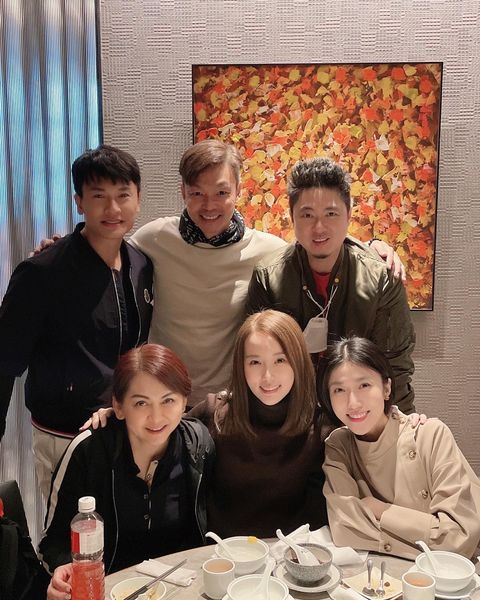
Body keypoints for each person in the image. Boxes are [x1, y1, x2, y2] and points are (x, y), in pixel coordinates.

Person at [31, 141, 403, 408]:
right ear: (183, 191)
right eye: (197, 193)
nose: (209, 205)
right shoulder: (153, 239)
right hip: (164, 400)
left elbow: (317, 237)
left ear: (238, 190)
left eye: (221, 192)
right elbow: (106, 246)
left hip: (231, 405)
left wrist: (373, 246)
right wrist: (61, 248)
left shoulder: (267, 251)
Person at [0, 145, 153, 498]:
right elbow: (5, 359)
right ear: (79, 202)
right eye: (99, 196)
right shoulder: (42, 272)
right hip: (64, 435)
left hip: (125, 429)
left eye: (123, 195)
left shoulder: (141, 265)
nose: (113, 209)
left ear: (138, 199)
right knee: (71, 530)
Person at [42, 343, 214, 600]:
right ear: (119, 406)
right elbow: (51, 542)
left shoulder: (198, 445)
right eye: (141, 403)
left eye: (168, 400)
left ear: (184, 402)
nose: (156, 417)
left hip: (181, 590)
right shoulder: (89, 451)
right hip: (106, 591)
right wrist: (63, 569)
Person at [246, 157, 416, 414]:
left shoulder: (381, 278)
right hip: (290, 415)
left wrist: (401, 427)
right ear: (292, 217)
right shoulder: (268, 277)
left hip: (357, 414)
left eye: (331, 214)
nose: (319, 227)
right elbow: (255, 360)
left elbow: (395, 368)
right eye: (307, 215)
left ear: (348, 215)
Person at [320, 336, 480, 559]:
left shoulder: (430, 435)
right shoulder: (339, 446)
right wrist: (429, 536)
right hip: (379, 572)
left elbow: (458, 540)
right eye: (339, 390)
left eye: (364, 385)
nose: (353, 402)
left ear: (386, 388)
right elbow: (344, 530)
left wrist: (380, 510)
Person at [189, 309, 327, 537]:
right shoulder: (214, 412)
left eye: (280, 360)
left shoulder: (321, 426)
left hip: (294, 553)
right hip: (223, 552)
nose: (267, 376)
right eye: (255, 362)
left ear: (299, 362)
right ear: (240, 366)